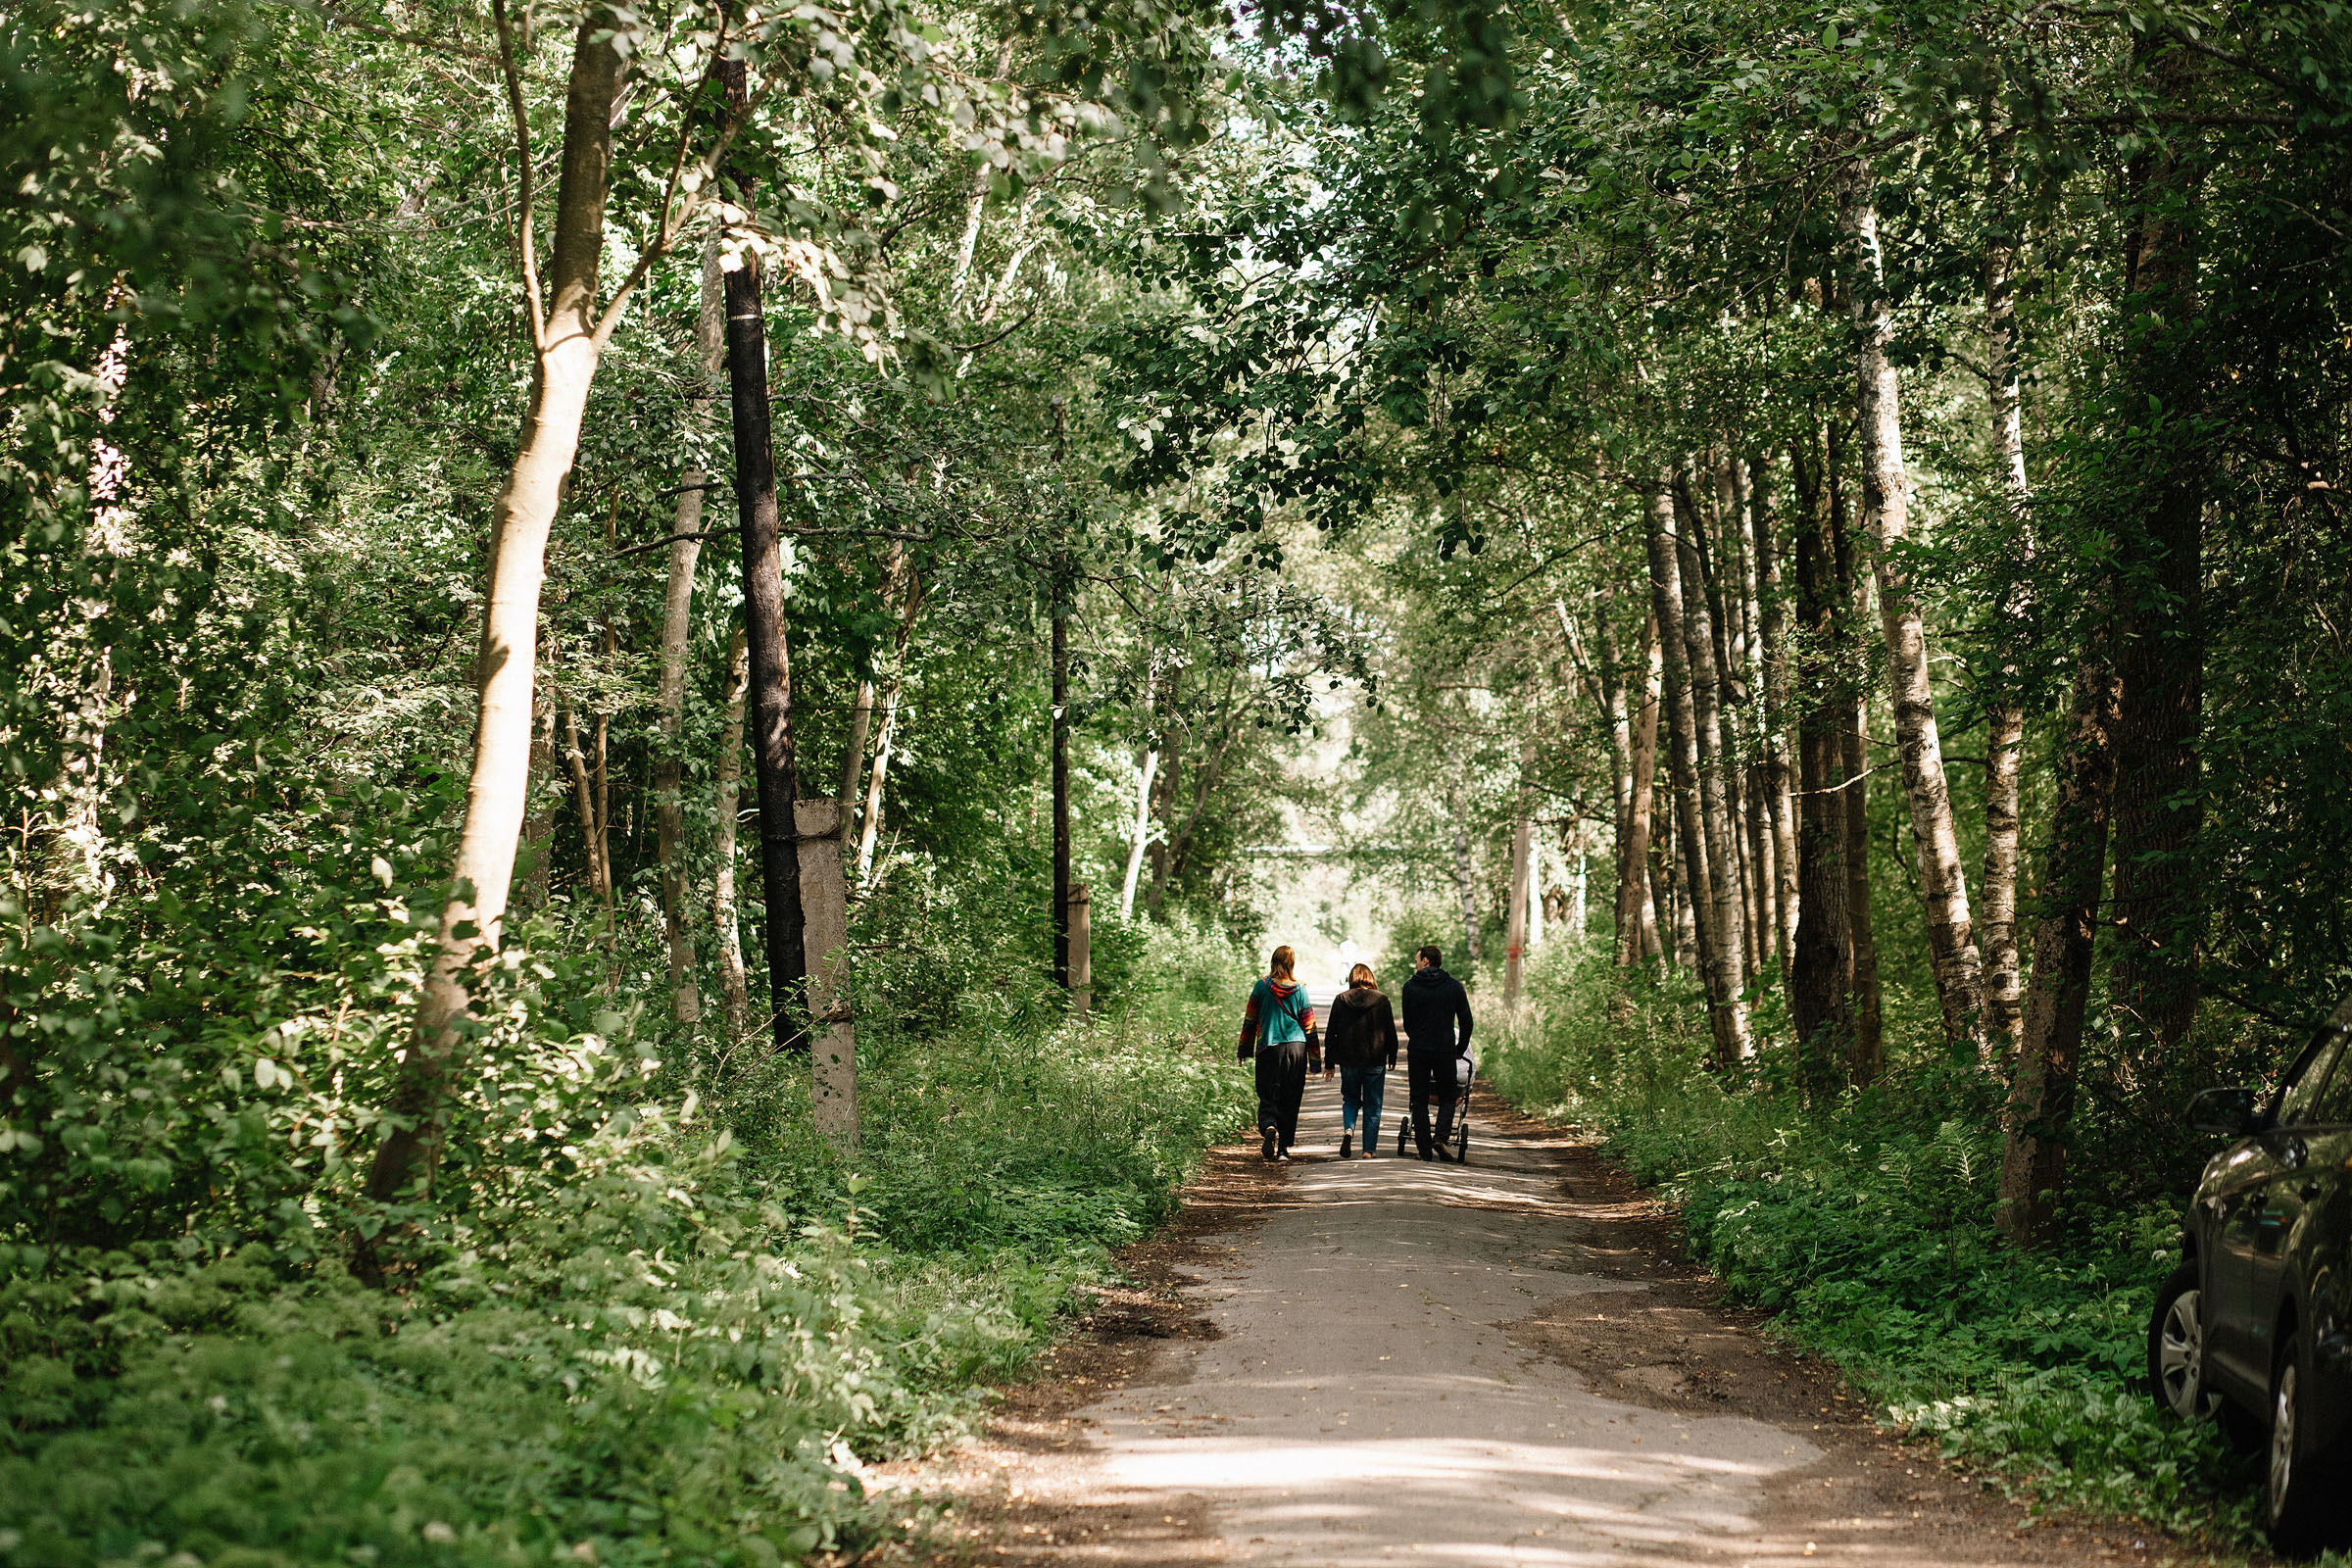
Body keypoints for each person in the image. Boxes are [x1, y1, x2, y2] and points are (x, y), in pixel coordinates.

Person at [1238, 945, 1319, 1161]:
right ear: (1292, 964)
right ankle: (1283, 1149)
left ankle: (1269, 1125)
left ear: (1273, 961)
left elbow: (1250, 1019)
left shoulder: (1261, 986)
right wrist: (1315, 1060)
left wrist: (1244, 1049)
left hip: (1269, 1047)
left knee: (1267, 1094)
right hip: (1296, 1048)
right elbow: (1309, 1024)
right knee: (1291, 1097)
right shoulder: (1300, 989)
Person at [1400, 944, 1473, 1160]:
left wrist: (1418, 1037)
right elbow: (1467, 1022)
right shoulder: (1454, 987)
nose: (1415, 964)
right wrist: (1460, 1049)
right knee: (1448, 1096)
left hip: (1419, 1049)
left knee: (1419, 1099)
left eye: (1417, 960)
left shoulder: (1410, 987)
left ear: (1425, 961)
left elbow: (1408, 1022)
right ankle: (1440, 1138)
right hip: (1445, 1049)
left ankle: (1424, 1150)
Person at [1320, 962, 1399, 1159]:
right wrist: (1392, 1055)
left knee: (1350, 1100)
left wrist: (1329, 1063)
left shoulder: (1341, 1000)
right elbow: (1390, 1030)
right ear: (1370, 978)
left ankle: (1349, 1130)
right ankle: (1368, 1150)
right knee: (1373, 1105)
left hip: (1349, 1060)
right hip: (1375, 1060)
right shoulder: (1381, 1000)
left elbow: (1331, 1034)